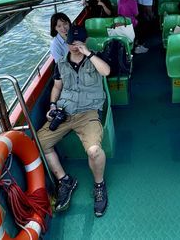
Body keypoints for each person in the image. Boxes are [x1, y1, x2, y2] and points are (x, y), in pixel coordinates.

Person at [37, 25, 111, 217]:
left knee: (94, 151)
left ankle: (99, 185)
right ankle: (65, 180)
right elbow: (56, 87)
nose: (74, 46)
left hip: (88, 112)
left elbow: (106, 71)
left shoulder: (95, 58)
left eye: (78, 42)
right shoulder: (61, 63)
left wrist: (88, 53)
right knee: (40, 142)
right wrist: (52, 106)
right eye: (71, 42)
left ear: (84, 42)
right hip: (65, 111)